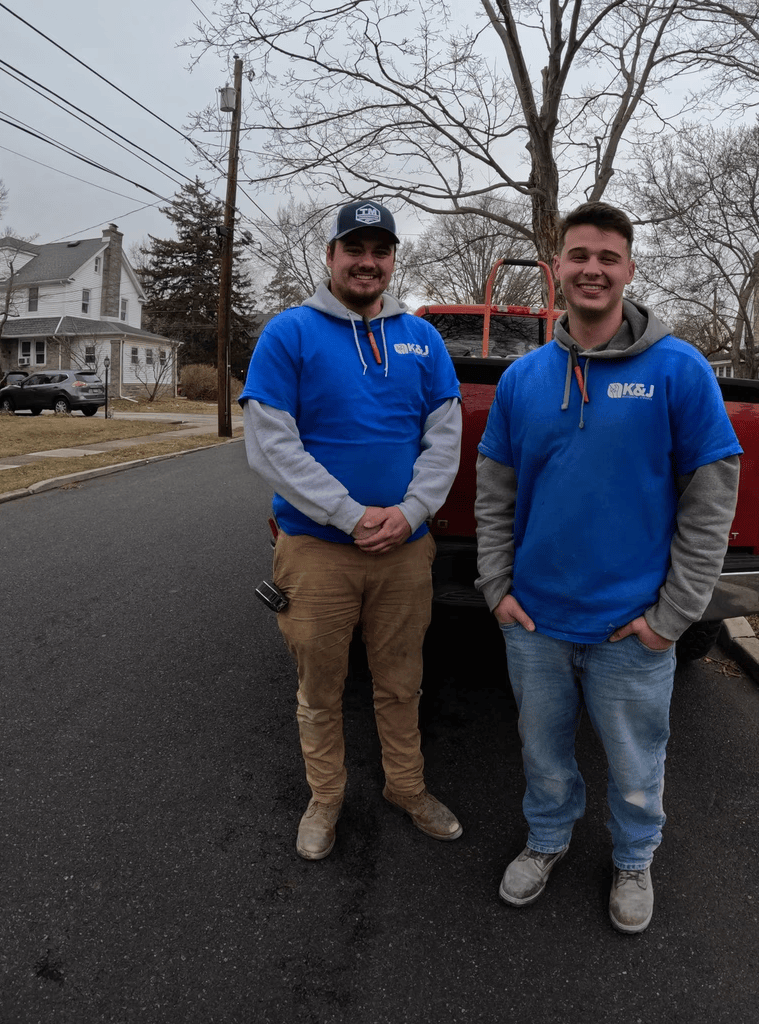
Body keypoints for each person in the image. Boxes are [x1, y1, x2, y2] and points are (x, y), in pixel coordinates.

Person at [474, 202, 742, 933]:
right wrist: (496, 589)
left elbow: (711, 499)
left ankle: (633, 856)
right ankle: (548, 839)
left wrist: (671, 619)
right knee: (543, 753)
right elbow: (494, 491)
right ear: (556, 266)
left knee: (634, 763)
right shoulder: (524, 379)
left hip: (631, 629)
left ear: (629, 269)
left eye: (608, 257)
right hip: (535, 622)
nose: (593, 268)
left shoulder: (678, 370)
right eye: (579, 254)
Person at [240, 200, 464, 861]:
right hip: (316, 551)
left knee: (402, 680)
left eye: (381, 250)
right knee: (321, 686)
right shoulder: (289, 334)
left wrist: (412, 512)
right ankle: (326, 797)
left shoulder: (423, 340)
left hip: (404, 550)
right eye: (354, 249)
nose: (367, 261)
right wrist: (350, 513)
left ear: (393, 259)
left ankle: (406, 786)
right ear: (331, 257)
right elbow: (271, 443)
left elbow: (444, 435)